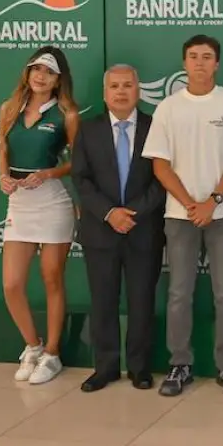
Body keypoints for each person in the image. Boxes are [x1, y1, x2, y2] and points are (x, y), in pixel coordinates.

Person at [142, 34, 223, 398]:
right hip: (180, 216)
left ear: (217, 63)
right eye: (193, 56)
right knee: (179, 293)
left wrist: (212, 200)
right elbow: (160, 166)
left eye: (207, 57)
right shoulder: (168, 109)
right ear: (184, 63)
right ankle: (180, 364)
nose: (200, 63)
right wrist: (191, 204)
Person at [71, 64, 166, 392]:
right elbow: (80, 179)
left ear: (138, 91)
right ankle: (106, 367)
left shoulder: (157, 128)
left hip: (144, 230)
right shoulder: (88, 130)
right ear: (105, 93)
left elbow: (162, 180)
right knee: (103, 302)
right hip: (100, 230)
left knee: (142, 302)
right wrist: (109, 212)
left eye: (128, 85)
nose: (121, 91)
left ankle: (140, 368)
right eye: (115, 86)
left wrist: (133, 212)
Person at [0, 46, 80, 385]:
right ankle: (33, 345)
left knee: (51, 278)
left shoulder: (67, 114)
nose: (40, 76)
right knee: (12, 283)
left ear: (59, 79)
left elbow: (78, 162)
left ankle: (53, 354)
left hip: (52, 202)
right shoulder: (9, 108)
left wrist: (48, 174)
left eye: (48, 71)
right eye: (36, 69)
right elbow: (3, 149)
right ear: (27, 73)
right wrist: (2, 175)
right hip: (19, 202)